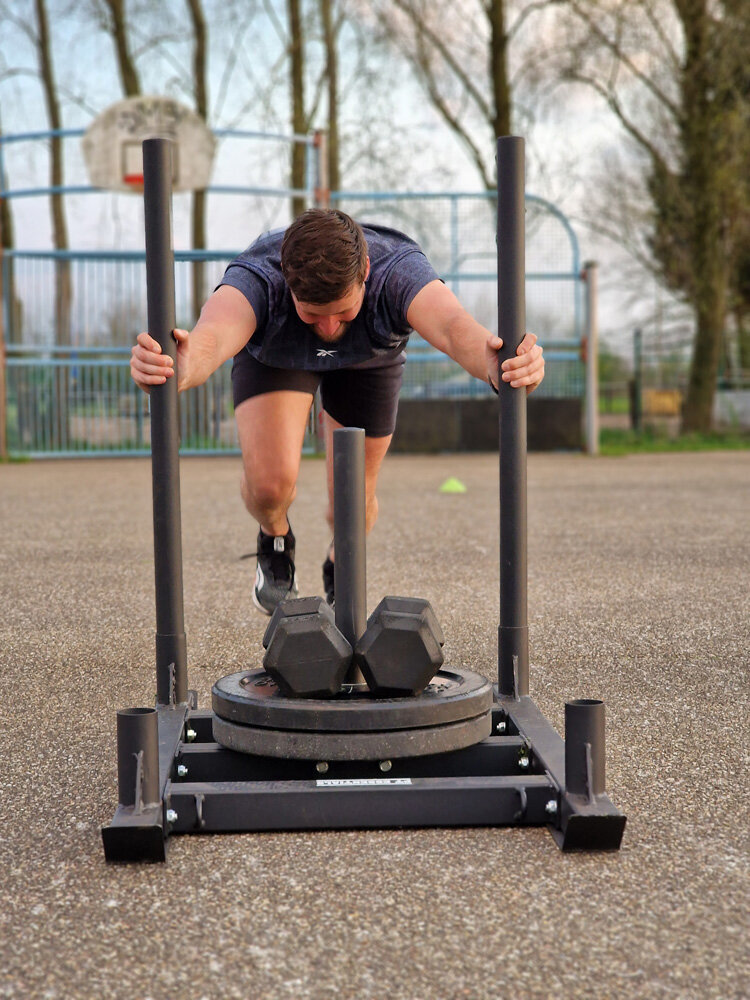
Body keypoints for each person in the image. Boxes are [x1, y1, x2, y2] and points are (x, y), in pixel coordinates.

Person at [130, 208, 545, 615]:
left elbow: (455, 329)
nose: (328, 327)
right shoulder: (259, 278)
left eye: (342, 311)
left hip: (368, 360)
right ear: (288, 284)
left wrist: (497, 364)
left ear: (365, 270)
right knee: (269, 488)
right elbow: (212, 338)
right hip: (277, 359)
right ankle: (275, 540)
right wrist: (179, 365)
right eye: (312, 314)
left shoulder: (397, 271)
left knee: (350, 503)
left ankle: (338, 560)